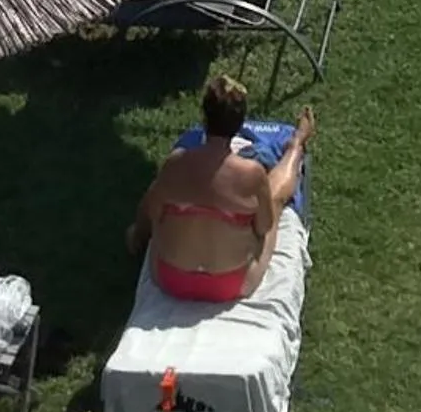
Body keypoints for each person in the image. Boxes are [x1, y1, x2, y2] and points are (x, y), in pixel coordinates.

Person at [128, 75, 312, 304]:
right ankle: (296, 145)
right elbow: (263, 226)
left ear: (204, 119)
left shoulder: (175, 163)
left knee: (159, 191)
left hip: (170, 278)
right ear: (240, 124)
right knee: (274, 200)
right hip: (230, 284)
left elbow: (153, 212)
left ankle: (135, 238)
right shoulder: (251, 174)